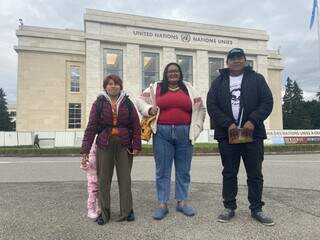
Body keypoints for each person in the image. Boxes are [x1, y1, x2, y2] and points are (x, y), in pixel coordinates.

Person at [206, 48, 274, 226]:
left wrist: (253, 120)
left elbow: (267, 102)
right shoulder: (219, 81)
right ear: (227, 62)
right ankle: (229, 207)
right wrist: (228, 123)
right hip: (228, 134)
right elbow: (211, 105)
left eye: (239, 57)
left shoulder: (257, 79)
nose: (236, 60)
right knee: (229, 172)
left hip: (253, 133)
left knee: (255, 173)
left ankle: (257, 208)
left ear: (245, 60)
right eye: (232, 58)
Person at [136, 62, 206, 220]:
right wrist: (148, 110)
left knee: (183, 170)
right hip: (162, 133)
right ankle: (163, 204)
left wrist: (197, 127)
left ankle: (182, 202)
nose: (173, 74)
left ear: (180, 73)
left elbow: (201, 108)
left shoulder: (188, 88)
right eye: (170, 71)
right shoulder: (156, 88)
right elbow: (139, 100)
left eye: (176, 71)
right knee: (162, 170)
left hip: (184, 133)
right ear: (165, 74)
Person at [81, 74, 141, 225]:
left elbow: (135, 125)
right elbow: (91, 127)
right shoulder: (99, 103)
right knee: (103, 180)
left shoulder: (127, 103)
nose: (113, 86)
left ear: (120, 86)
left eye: (116, 84)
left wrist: (136, 145)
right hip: (104, 144)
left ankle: (127, 211)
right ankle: (104, 213)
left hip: (124, 144)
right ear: (105, 87)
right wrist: (85, 150)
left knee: (125, 180)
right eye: (110, 84)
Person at [80, 140, 100, 220]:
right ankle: (91, 210)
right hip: (92, 178)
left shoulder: (100, 155)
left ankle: (99, 208)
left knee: (100, 195)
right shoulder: (90, 156)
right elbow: (84, 167)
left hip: (100, 177)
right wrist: (84, 164)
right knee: (92, 195)